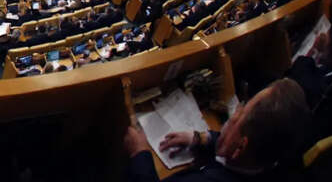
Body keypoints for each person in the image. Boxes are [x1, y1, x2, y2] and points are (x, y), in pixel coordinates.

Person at [123, 78, 311, 182]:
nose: (235, 112)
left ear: (240, 147)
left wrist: (139, 154)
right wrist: (204, 139)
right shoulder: (277, 161)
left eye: (241, 113)